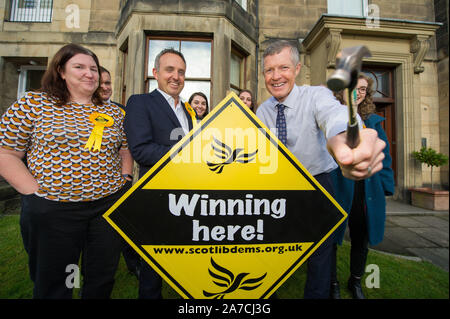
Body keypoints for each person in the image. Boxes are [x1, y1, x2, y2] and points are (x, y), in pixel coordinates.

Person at [0, 43, 134, 298]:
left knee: (102, 278)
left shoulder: (114, 112)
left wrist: (125, 179)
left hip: (105, 209)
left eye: (93, 68)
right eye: (80, 67)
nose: (90, 73)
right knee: (54, 283)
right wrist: (34, 192)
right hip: (53, 209)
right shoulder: (33, 103)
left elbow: (124, 149)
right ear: (61, 71)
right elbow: (6, 153)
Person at [256, 40, 386, 299]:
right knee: (270, 248)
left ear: (297, 69)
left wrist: (346, 140)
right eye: (269, 70)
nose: (276, 76)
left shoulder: (316, 96)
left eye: (283, 67)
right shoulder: (262, 110)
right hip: (278, 188)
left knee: (320, 251)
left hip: (318, 184)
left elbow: (334, 115)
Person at [124, 48, 196, 299]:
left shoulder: (188, 110)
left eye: (181, 72)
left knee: (184, 256)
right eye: (170, 70)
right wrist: (186, 155)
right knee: (153, 266)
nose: (176, 76)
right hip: (156, 197)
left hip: (186, 197)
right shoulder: (140, 102)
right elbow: (141, 150)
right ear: (155, 73)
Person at [329, 73, 395, 299]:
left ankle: (355, 281)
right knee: (332, 237)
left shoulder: (373, 121)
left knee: (362, 236)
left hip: (367, 190)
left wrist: (386, 187)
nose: (358, 92)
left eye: (364, 89)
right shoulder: (329, 115)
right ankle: (332, 283)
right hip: (339, 186)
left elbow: (385, 156)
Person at [97, 66, 141, 278]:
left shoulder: (119, 111)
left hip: (114, 185)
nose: (105, 88)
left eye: (108, 83)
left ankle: (134, 264)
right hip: (75, 192)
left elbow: (127, 147)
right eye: (101, 83)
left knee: (123, 228)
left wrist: (126, 177)